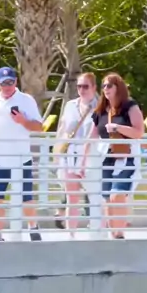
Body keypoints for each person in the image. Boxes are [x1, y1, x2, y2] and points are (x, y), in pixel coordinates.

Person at [0, 66, 44, 242]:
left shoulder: (26, 100)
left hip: (20, 158)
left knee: (26, 197)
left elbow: (39, 127)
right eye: (4, 83)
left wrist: (23, 121)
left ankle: (33, 227)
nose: (7, 86)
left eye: (10, 82)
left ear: (16, 82)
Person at [80, 73, 144, 239]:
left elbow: (139, 132)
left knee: (117, 195)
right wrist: (82, 161)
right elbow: (91, 138)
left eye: (109, 85)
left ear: (118, 87)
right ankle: (114, 234)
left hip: (126, 156)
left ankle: (120, 234)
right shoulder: (101, 110)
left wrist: (117, 128)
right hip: (106, 158)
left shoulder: (129, 106)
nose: (105, 89)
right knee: (107, 197)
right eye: (103, 86)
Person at [53, 72, 98, 237]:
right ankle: (70, 235)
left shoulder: (101, 106)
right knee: (72, 198)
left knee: (95, 198)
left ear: (94, 87)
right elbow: (63, 128)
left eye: (85, 86)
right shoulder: (71, 105)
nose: (81, 90)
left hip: (91, 155)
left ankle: (96, 235)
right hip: (71, 155)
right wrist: (57, 151)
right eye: (79, 86)